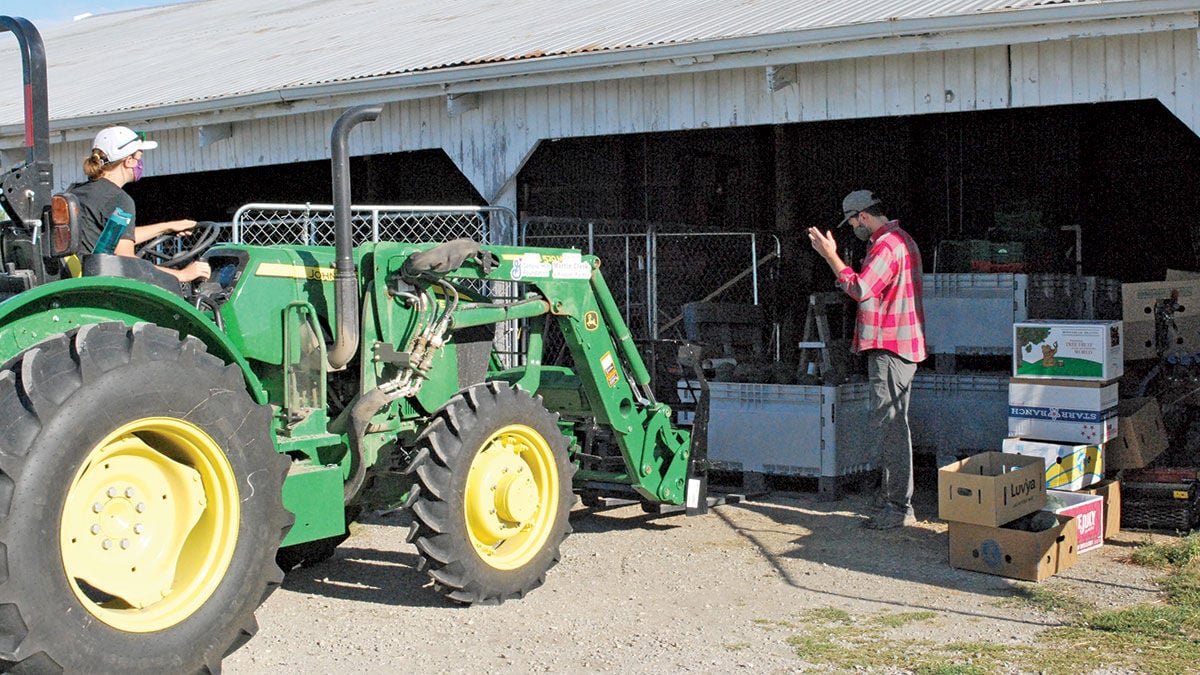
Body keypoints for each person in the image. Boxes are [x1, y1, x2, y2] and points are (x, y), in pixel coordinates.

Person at [807, 190, 926, 529]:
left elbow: (861, 289)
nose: (852, 228)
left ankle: (898, 507)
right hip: (900, 345)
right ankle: (895, 501)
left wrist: (830, 256)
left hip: (890, 347)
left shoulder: (887, 246)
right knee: (894, 425)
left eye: (853, 221)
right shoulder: (902, 241)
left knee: (892, 427)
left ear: (862, 216)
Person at [69, 126, 210, 282]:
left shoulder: (76, 192)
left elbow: (120, 236)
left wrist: (168, 227)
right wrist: (182, 275)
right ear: (128, 161)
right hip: (97, 282)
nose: (140, 164)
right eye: (138, 158)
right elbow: (126, 261)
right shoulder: (119, 200)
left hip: (77, 276)